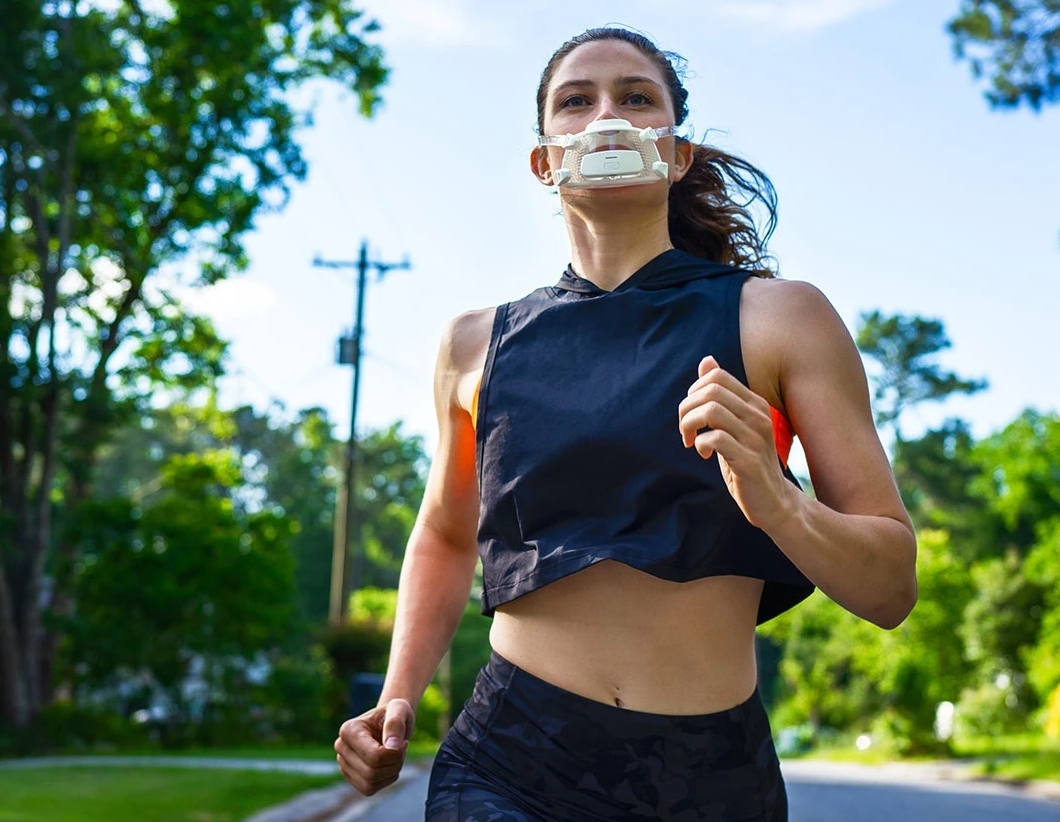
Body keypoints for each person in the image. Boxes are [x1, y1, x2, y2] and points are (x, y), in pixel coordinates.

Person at [334, 26, 917, 822]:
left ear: (675, 154)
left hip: (714, 777)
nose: (606, 115)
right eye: (577, 101)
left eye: (636, 97)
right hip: (510, 763)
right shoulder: (475, 343)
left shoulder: (781, 319)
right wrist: (397, 695)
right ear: (544, 161)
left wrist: (778, 502)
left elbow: (891, 588)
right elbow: (444, 533)